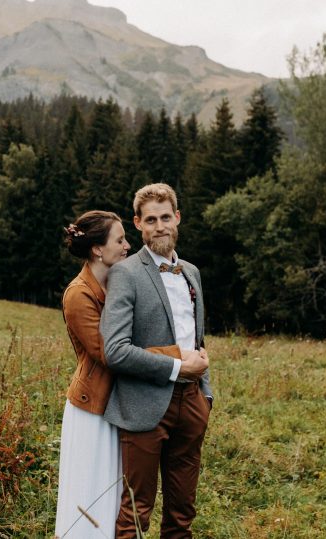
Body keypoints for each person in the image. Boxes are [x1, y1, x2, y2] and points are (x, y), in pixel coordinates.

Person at [55, 210, 182, 538]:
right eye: (120, 239)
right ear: (98, 249)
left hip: (123, 402)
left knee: (117, 496)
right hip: (92, 409)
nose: (128, 245)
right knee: (90, 492)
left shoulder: (119, 282)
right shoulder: (78, 294)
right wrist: (177, 356)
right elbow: (110, 353)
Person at [101, 183, 212, 538]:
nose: (160, 226)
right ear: (138, 224)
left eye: (166, 217)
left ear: (177, 218)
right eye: (151, 220)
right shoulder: (126, 273)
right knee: (136, 511)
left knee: (182, 512)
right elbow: (115, 350)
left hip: (192, 404)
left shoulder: (192, 272)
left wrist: (205, 397)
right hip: (145, 406)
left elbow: (197, 340)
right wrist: (178, 367)